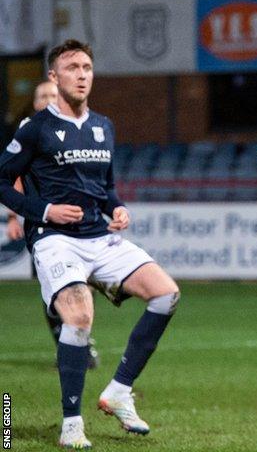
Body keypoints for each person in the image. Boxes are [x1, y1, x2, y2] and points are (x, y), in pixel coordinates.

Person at [0, 40, 182, 448]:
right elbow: (1, 181)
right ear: (54, 76)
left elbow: (106, 189)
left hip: (99, 236)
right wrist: (44, 211)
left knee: (166, 294)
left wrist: (117, 209)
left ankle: (118, 391)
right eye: (72, 68)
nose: (82, 75)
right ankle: (71, 424)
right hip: (54, 240)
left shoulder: (104, 125)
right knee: (79, 318)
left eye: (87, 67)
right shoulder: (35, 129)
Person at [7, 80, 101, 369]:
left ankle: (77, 335)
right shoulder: (29, 130)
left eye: (52, 93)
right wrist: (14, 216)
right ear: (35, 103)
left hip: (79, 223)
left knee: (86, 282)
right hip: (44, 226)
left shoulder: (76, 125)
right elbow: (13, 175)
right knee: (54, 286)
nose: (48, 98)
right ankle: (68, 340)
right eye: (42, 95)